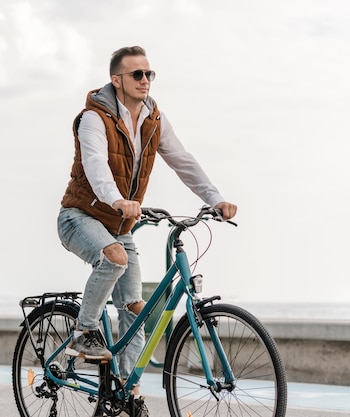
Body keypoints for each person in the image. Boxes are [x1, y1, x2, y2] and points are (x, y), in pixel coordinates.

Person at [58, 46, 237, 415]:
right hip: (79, 217)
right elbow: (95, 165)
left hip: (121, 226)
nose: (145, 81)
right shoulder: (95, 117)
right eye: (137, 74)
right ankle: (83, 332)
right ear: (117, 80)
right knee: (115, 257)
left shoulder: (154, 117)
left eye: (149, 74)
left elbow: (182, 160)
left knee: (136, 309)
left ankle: (125, 392)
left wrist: (215, 198)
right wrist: (117, 199)